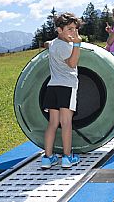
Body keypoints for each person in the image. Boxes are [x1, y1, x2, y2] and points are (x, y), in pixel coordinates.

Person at [41, 12, 82, 169]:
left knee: (52, 123)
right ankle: (67, 157)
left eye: (75, 29)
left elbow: (47, 44)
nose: (73, 33)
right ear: (59, 30)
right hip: (67, 87)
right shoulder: (66, 46)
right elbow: (72, 63)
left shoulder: (54, 44)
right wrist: (77, 45)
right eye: (70, 29)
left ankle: (48, 157)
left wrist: (49, 43)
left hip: (52, 87)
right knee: (66, 123)